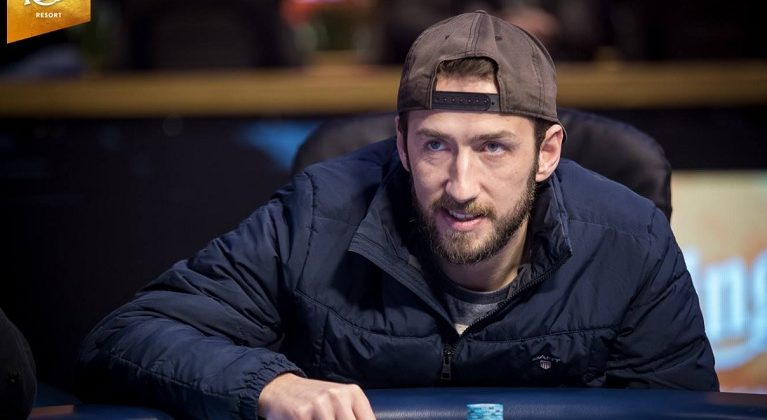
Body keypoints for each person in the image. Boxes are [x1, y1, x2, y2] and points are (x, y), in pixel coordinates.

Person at [77, 11, 718, 419]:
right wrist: (269, 386)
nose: (460, 186)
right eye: (435, 145)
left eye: (493, 148)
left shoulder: (632, 238)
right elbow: (125, 337)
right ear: (402, 144)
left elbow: (682, 413)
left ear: (547, 153)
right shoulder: (317, 213)